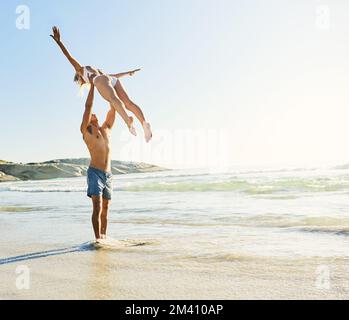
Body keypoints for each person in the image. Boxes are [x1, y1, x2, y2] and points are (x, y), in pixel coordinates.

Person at [50, 26, 152, 143]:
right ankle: (144, 123)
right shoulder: (95, 71)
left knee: (113, 99)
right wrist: (128, 73)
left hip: (100, 80)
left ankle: (128, 122)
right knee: (128, 103)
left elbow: (69, 56)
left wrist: (59, 42)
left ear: (79, 78)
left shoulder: (81, 71)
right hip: (110, 78)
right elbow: (114, 76)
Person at [80, 76, 115, 241]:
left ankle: (104, 237)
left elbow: (113, 109)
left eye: (94, 114)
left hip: (108, 175)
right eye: (91, 114)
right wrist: (93, 86)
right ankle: (97, 240)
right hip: (95, 173)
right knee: (97, 206)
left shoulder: (105, 129)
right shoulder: (86, 131)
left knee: (106, 207)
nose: (93, 114)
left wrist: (109, 88)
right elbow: (88, 106)